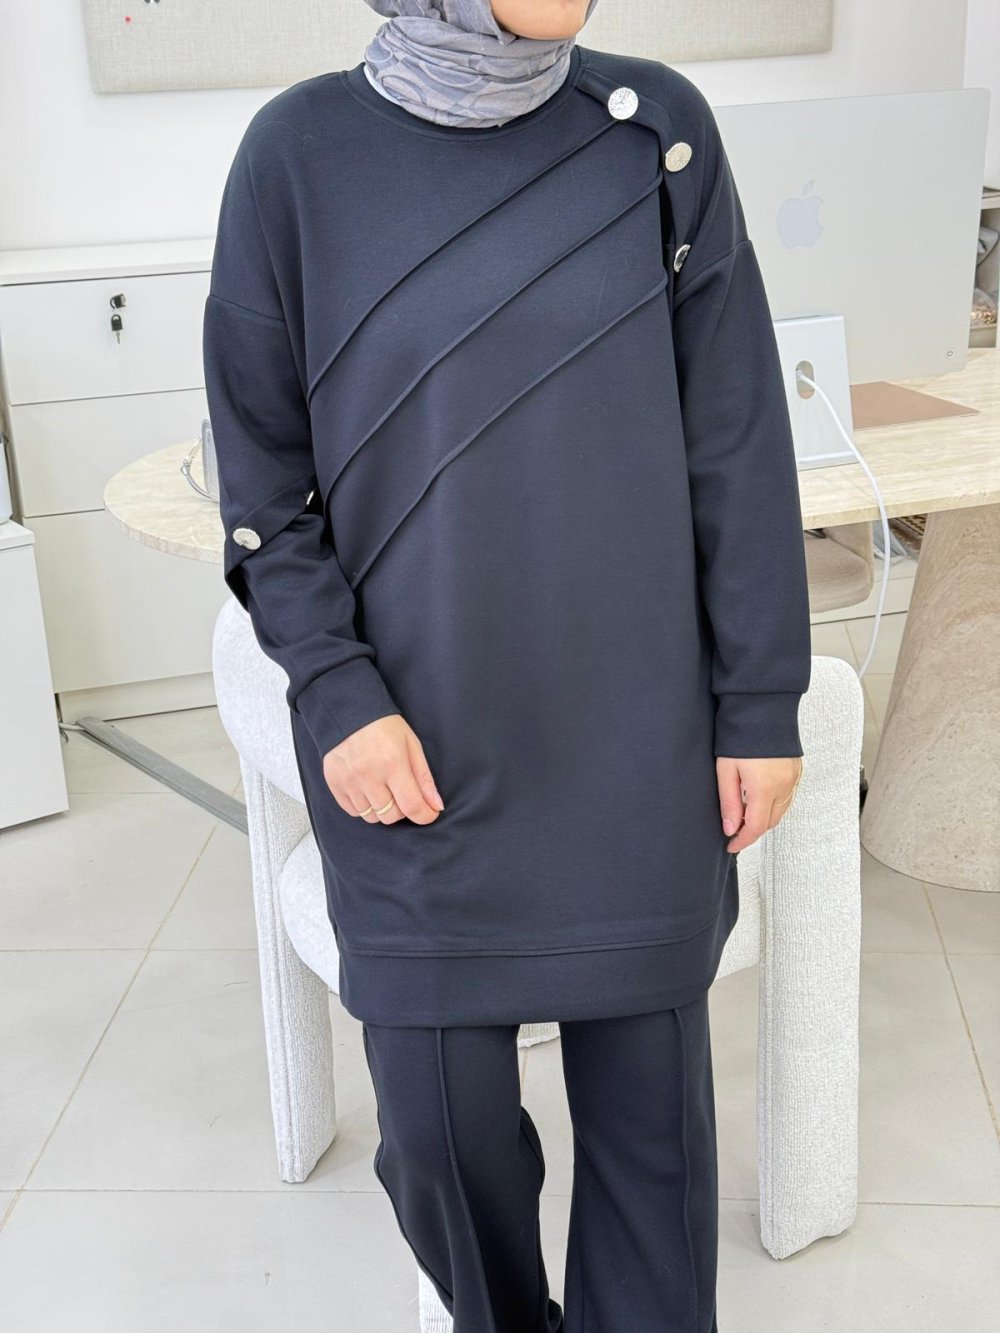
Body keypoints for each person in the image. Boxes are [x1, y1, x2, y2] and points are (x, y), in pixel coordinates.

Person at [202, 1, 812, 1327]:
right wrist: (338, 694)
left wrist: (761, 701)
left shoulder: (655, 131)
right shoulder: (295, 158)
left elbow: (737, 439)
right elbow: (265, 486)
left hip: (636, 743)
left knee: (655, 1148)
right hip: (412, 752)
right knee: (436, 1132)